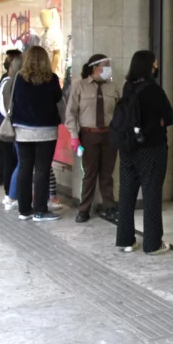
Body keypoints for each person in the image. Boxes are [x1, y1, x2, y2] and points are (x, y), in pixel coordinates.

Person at [115, 50, 173, 254]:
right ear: (149, 65)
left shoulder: (128, 87)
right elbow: (170, 116)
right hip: (152, 148)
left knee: (126, 193)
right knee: (151, 194)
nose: (157, 65)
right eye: (155, 62)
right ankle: (152, 244)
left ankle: (125, 240)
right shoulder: (153, 90)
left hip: (128, 148)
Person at [65, 54, 120, 224]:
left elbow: (121, 111)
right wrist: (74, 136)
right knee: (89, 174)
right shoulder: (80, 86)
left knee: (107, 174)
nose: (109, 69)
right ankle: (84, 209)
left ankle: (109, 207)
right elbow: (70, 113)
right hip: (88, 135)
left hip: (109, 135)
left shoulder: (113, 87)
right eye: (106, 65)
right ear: (96, 68)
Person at [11, 46, 62, 222]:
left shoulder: (19, 78)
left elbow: (15, 99)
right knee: (42, 169)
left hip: (23, 129)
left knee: (25, 167)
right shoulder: (52, 79)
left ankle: (24, 210)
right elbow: (58, 98)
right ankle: (40, 210)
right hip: (46, 130)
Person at [0, 49, 23, 188]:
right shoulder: (9, 81)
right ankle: (9, 192)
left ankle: (9, 191)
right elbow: (5, 107)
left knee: (12, 160)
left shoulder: (11, 81)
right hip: (10, 126)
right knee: (12, 161)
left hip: (9, 124)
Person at [0, 53, 23, 210]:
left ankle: (10, 195)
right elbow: (4, 108)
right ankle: (11, 195)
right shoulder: (13, 83)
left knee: (17, 162)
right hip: (17, 127)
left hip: (13, 126)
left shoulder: (8, 82)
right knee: (19, 163)